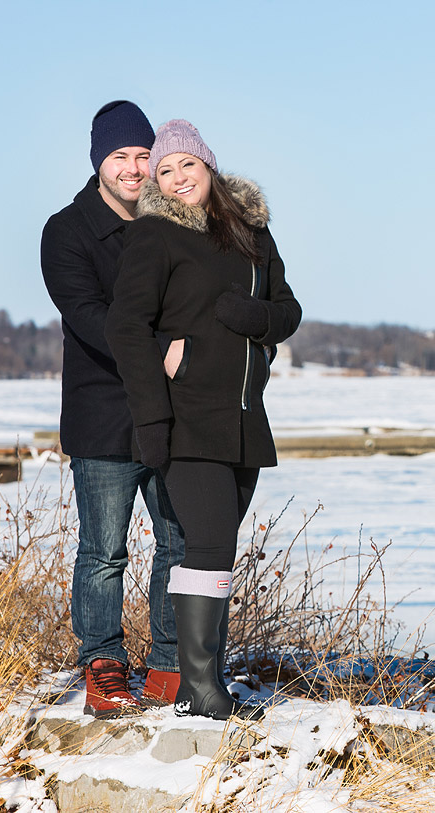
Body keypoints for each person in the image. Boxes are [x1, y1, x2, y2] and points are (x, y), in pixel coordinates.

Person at [105, 119, 302, 720]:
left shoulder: (252, 234)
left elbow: (287, 311)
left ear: (208, 166)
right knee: (211, 541)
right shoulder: (157, 236)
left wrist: (251, 318)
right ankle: (200, 686)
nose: (176, 176)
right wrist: (154, 418)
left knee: (212, 547)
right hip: (186, 414)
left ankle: (201, 677)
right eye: (164, 171)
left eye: (185, 164)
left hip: (244, 415)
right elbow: (125, 326)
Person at [40, 101, 187, 719]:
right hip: (103, 414)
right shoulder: (67, 231)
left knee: (179, 540)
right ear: (99, 162)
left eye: (142, 156)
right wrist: (163, 351)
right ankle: (102, 662)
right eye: (120, 157)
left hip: (174, 411)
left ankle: (172, 662)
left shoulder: (176, 223)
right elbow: (91, 319)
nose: (133, 168)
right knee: (104, 549)